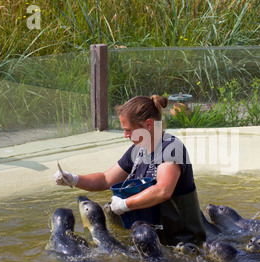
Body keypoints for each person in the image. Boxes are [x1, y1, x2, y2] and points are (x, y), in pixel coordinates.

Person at [54, 95, 206, 246]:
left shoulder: (171, 149)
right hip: (151, 240)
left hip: (182, 244)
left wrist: (124, 204)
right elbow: (106, 179)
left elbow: (163, 190)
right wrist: (74, 179)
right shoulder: (138, 150)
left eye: (128, 130)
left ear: (148, 124)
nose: (125, 135)